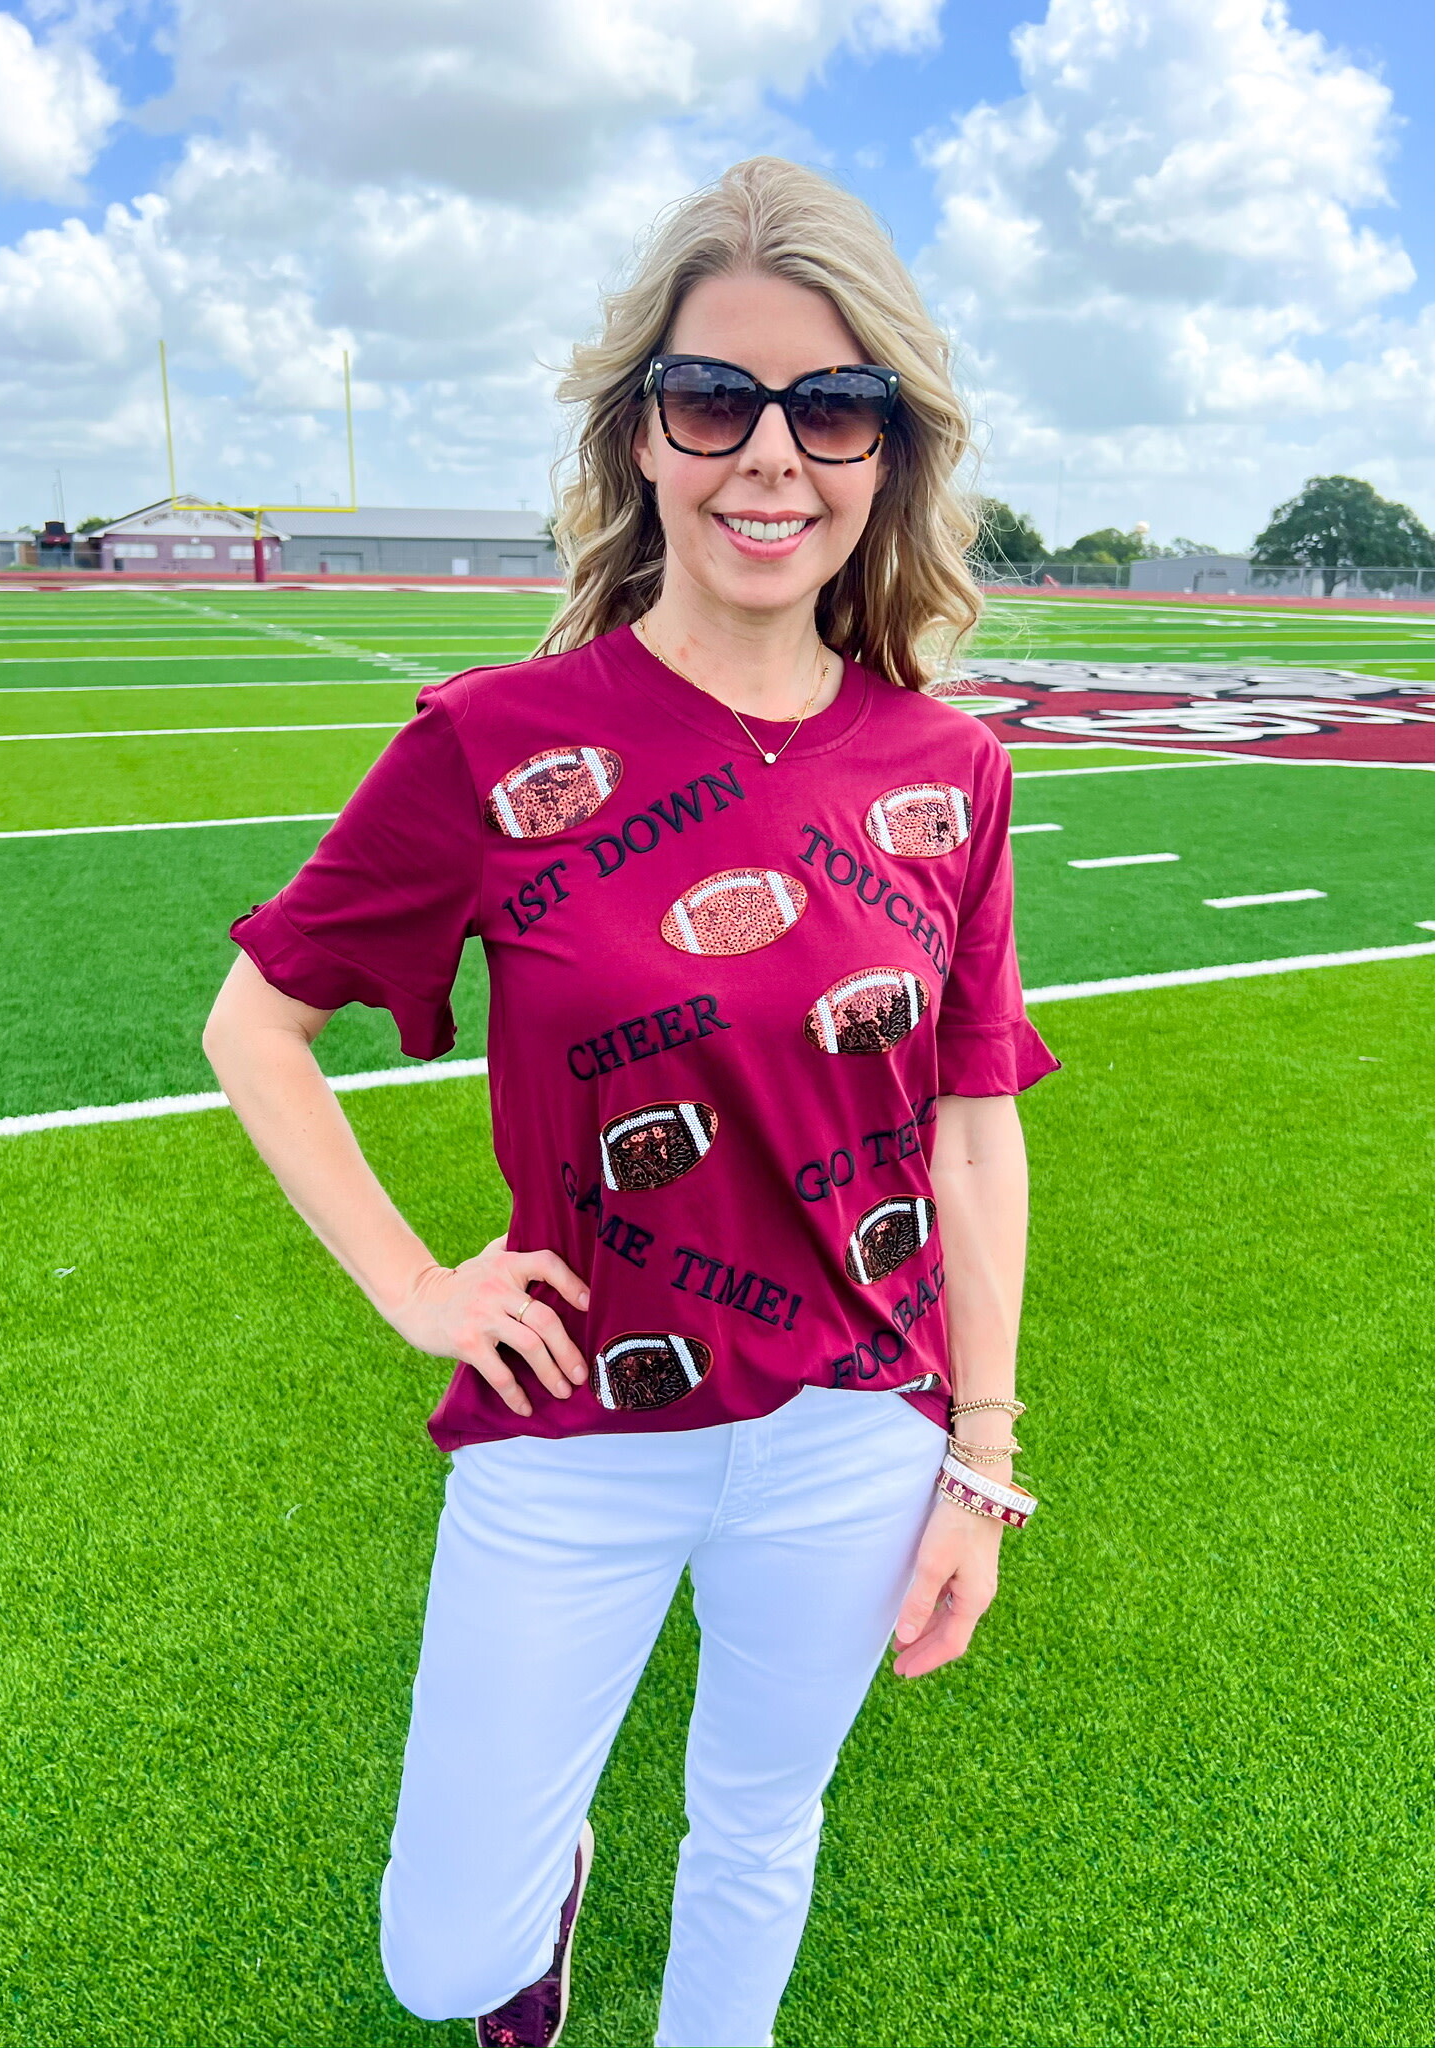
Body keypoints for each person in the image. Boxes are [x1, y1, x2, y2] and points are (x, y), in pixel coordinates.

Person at [203, 154, 1061, 2048]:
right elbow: (254, 1026)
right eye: (716, 400)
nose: (774, 454)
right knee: (444, 1959)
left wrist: (978, 1460)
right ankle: (548, 1896)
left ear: (890, 452)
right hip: (576, 1414)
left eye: (832, 407)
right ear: (644, 439)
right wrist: (420, 1289)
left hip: (857, 1418)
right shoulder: (496, 745)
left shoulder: (950, 767)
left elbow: (973, 1126)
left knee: (762, 1824)